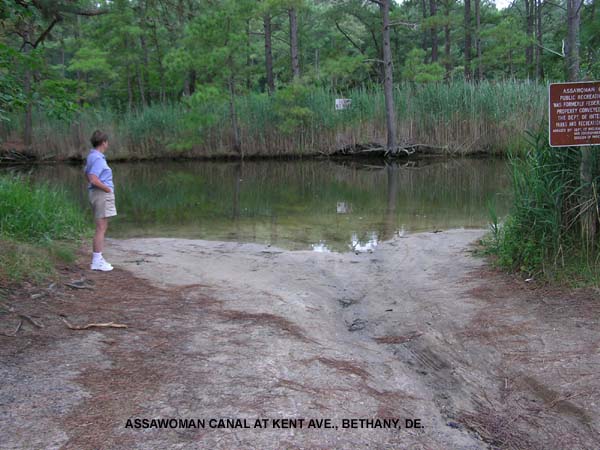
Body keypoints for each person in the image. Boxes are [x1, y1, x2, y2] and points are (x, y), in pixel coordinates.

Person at [85, 130, 116, 271]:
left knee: (101, 227)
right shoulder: (97, 158)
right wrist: (107, 189)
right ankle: (97, 261)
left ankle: (98, 258)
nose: (107, 143)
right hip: (101, 194)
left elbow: (87, 174)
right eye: (107, 141)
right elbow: (93, 178)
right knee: (101, 228)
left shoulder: (92, 156)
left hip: (96, 194)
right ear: (103, 142)